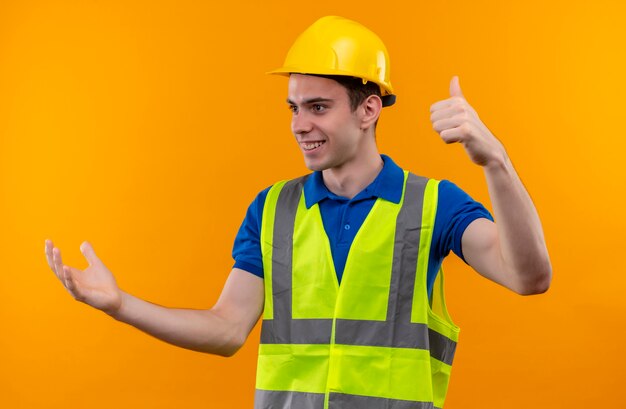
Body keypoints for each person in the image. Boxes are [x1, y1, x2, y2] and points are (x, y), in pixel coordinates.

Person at [45, 15, 551, 409]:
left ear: (368, 109)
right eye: (294, 107)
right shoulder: (272, 209)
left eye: (318, 106)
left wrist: (495, 162)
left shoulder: (433, 205)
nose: (299, 125)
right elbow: (225, 330)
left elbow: (528, 277)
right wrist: (119, 305)